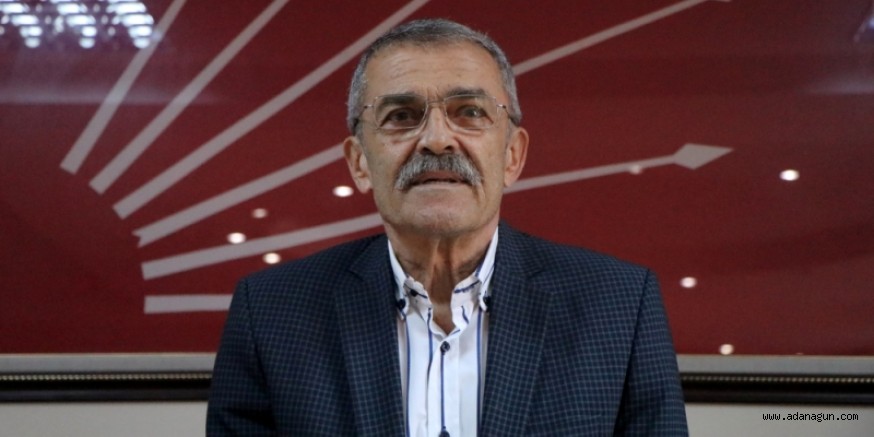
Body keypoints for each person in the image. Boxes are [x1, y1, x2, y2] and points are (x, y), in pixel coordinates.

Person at [207, 18, 687, 436]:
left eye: (470, 112)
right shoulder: (271, 314)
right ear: (359, 163)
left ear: (512, 155)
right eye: (401, 116)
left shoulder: (619, 306)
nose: (437, 140)